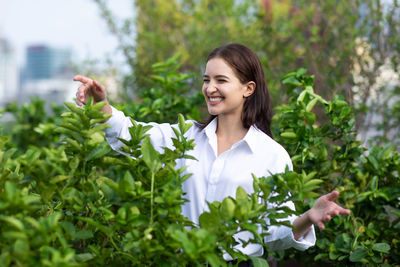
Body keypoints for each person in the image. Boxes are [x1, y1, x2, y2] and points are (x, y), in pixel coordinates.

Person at [74, 43, 350, 263]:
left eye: (221, 80)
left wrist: (308, 217)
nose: (210, 88)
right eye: (207, 80)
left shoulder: (271, 155)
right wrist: (103, 105)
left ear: (248, 89)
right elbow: (128, 133)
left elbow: (274, 233)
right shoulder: (185, 137)